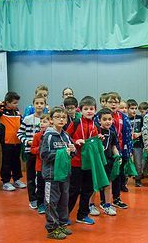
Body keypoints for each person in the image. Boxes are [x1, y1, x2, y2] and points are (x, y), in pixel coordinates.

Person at [40, 107, 75, 240]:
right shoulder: (48, 136)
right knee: (51, 202)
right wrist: (61, 152)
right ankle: (52, 228)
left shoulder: (66, 135)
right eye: (57, 117)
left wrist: (72, 150)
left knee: (63, 201)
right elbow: (44, 155)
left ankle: (60, 224)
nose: (61, 119)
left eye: (63, 117)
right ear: (51, 120)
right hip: (52, 175)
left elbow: (72, 154)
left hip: (64, 174)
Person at [66, 96, 99, 225]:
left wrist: (99, 139)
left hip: (89, 163)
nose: (89, 111)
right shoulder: (75, 123)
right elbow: (66, 138)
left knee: (88, 189)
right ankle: (64, 215)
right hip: (76, 162)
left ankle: (82, 215)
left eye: (91, 109)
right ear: (81, 110)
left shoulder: (95, 126)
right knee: (74, 190)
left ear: (95, 110)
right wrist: (75, 141)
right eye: (86, 109)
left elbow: (94, 142)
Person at [17, 93, 46, 208]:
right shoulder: (28, 119)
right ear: (33, 105)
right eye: (37, 103)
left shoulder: (46, 119)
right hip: (31, 151)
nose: (39, 106)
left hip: (43, 153)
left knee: (42, 176)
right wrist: (27, 142)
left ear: (45, 105)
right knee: (30, 177)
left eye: (41, 103)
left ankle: (42, 199)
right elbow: (19, 133)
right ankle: (32, 199)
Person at [105, 92, 132, 206]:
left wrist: (128, 151)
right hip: (106, 152)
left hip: (119, 151)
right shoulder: (101, 116)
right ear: (105, 103)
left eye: (116, 102)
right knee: (106, 177)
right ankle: (104, 201)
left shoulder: (123, 117)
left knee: (118, 175)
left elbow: (127, 135)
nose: (113, 104)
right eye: (110, 102)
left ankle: (116, 198)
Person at [0, 92, 26, 191]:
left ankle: (17, 179)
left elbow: (22, 123)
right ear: (7, 102)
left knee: (16, 161)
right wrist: (1, 104)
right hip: (6, 142)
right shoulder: (2, 111)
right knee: (6, 162)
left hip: (17, 141)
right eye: (14, 103)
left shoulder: (17, 112)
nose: (16, 105)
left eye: (17, 103)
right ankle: (6, 181)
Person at [97, 108, 120, 216]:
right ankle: (91, 205)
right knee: (95, 184)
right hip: (98, 162)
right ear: (99, 120)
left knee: (108, 184)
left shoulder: (112, 133)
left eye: (110, 119)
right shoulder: (96, 131)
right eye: (104, 119)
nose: (108, 121)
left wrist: (117, 155)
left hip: (109, 162)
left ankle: (107, 205)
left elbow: (114, 146)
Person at [30, 113, 51, 214]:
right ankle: (40, 204)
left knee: (50, 187)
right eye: (41, 122)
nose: (42, 124)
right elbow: (33, 150)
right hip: (40, 167)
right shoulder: (37, 136)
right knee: (41, 186)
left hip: (50, 167)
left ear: (50, 123)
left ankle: (49, 204)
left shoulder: (52, 135)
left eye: (45, 121)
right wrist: (41, 149)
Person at [126, 99, 144, 187]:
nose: (134, 110)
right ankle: (124, 180)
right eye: (132, 108)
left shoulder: (140, 118)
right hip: (128, 145)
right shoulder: (125, 119)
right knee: (126, 162)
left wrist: (139, 134)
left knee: (138, 163)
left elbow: (144, 129)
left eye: (135, 108)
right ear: (127, 109)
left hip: (138, 144)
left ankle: (138, 179)